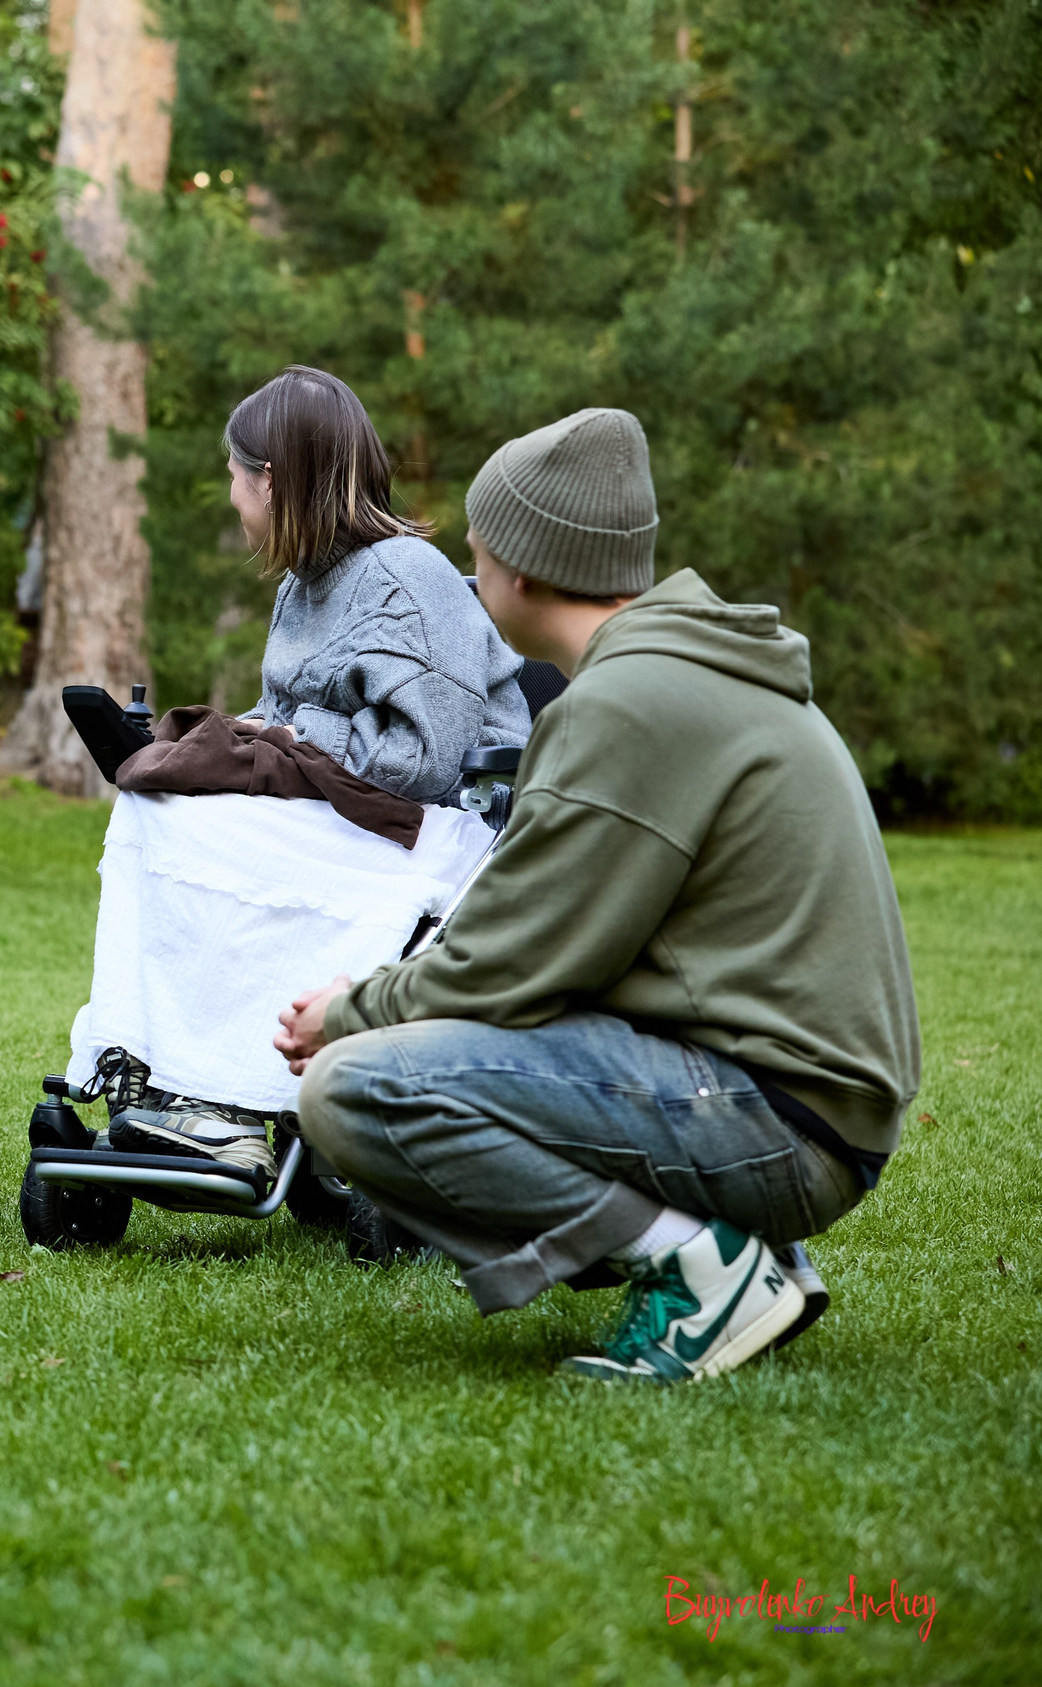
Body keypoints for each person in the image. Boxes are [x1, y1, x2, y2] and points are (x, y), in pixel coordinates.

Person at [276, 407, 922, 1384]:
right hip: (806, 1107)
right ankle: (732, 1253)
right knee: (390, 1056)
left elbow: (510, 960)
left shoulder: (628, 705)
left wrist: (349, 1011)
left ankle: (704, 1269)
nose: (469, 570)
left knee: (358, 1085)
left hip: (777, 1122)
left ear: (523, 569)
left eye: (478, 548)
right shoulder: (682, 676)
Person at [62, 366, 531, 1187]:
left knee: (167, 817)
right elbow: (288, 718)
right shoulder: (302, 585)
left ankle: (224, 1101)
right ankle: (155, 1072)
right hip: (353, 820)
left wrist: (281, 737)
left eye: (235, 477)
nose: (231, 495)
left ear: (271, 479)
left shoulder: (404, 579)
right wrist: (235, 742)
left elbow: (427, 759)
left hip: (437, 832)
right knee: (157, 805)